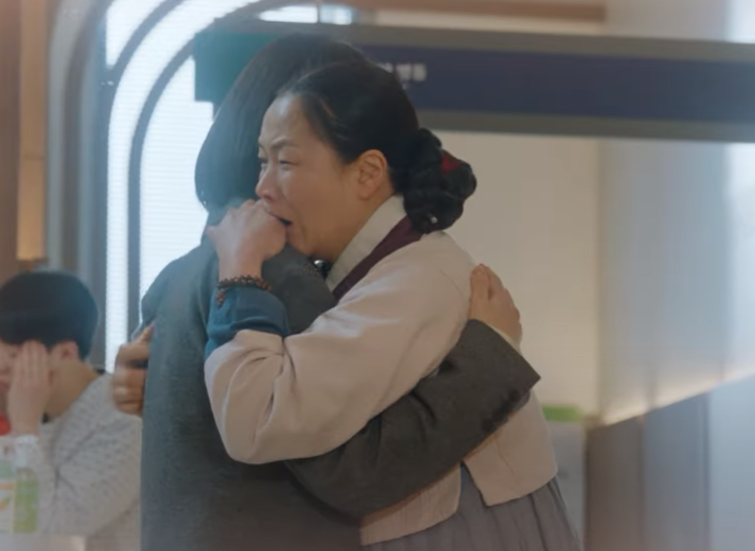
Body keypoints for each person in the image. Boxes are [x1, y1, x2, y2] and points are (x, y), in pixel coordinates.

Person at [115, 35, 549, 551]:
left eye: (285, 161)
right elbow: (341, 462)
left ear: (366, 170)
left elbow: (332, 458)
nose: (265, 186)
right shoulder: (267, 261)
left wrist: (493, 361)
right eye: (265, 160)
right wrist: (490, 364)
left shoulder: (213, 263)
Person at [0, 271, 141, 551]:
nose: (0, 365)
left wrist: (25, 428)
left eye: (15, 354)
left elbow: (54, 532)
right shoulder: (35, 410)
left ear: (65, 354)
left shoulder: (122, 419)